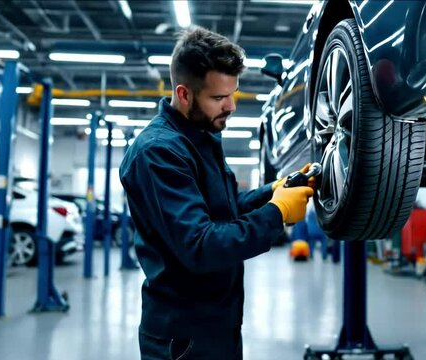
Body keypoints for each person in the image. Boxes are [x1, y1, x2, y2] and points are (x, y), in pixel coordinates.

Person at [119, 26, 314, 360]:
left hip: (216, 323)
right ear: (184, 94)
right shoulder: (159, 153)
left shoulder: (200, 133)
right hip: (183, 339)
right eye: (218, 98)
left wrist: (272, 192)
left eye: (233, 93)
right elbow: (201, 245)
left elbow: (220, 210)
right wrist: (276, 214)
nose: (232, 106)